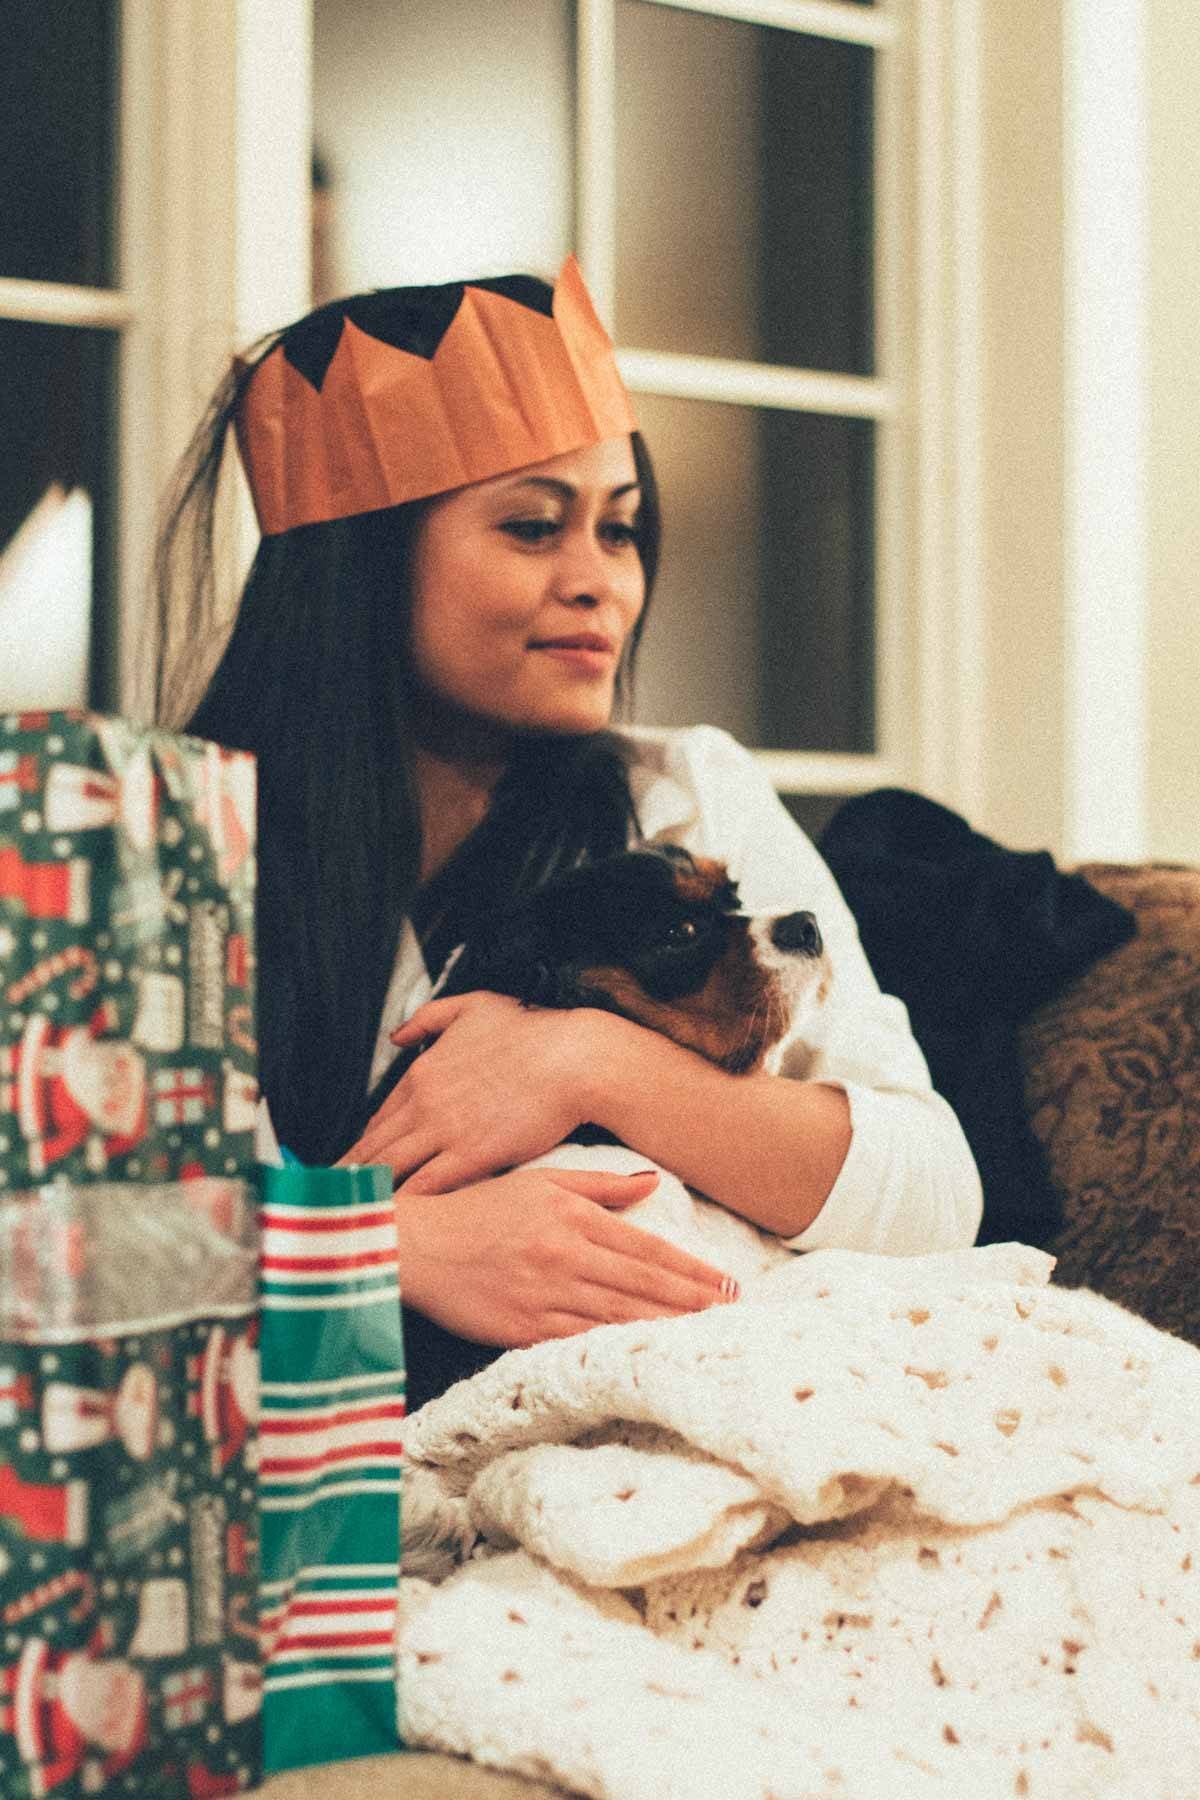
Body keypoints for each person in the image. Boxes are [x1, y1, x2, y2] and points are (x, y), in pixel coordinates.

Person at [151, 257, 982, 1408]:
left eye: (621, 529)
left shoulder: (683, 794)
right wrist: (395, 1250)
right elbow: (83, 1242)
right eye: (536, 527)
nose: (603, 584)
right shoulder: (168, 847)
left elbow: (934, 1197)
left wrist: (584, 1061)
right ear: (364, 562)